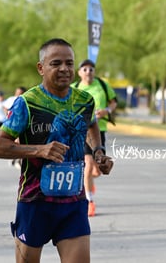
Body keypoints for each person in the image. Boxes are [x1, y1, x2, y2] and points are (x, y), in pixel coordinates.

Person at [0, 38, 114, 263]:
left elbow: (91, 125)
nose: (64, 69)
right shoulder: (27, 103)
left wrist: (98, 152)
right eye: (56, 63)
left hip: (73, 202)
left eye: (69, 63)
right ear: (41, 68)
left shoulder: (84, 101)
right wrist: (40, 150)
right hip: (35, 201)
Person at [73, 59, 118, 217]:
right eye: (84, 69)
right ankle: (89, 201)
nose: (88, 72)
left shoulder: (102, 85)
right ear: (79, 72)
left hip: (100, 130)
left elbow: (113, 102)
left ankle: (89, 181)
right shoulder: (74, 88)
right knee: (88, 164)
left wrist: (106, 110)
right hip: (82, 131)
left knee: (97, 169)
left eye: (91, 69)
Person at [3, 86, 27, 170]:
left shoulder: (26, 101)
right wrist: (8, 115)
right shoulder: (11, 100)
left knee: (20, 142)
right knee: (15, 142)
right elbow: (5, 107)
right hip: (13, 124)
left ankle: (17, 160)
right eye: (17, 93)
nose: (17, 94)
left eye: (20, 93)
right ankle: (14, 158)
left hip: (23, 124)